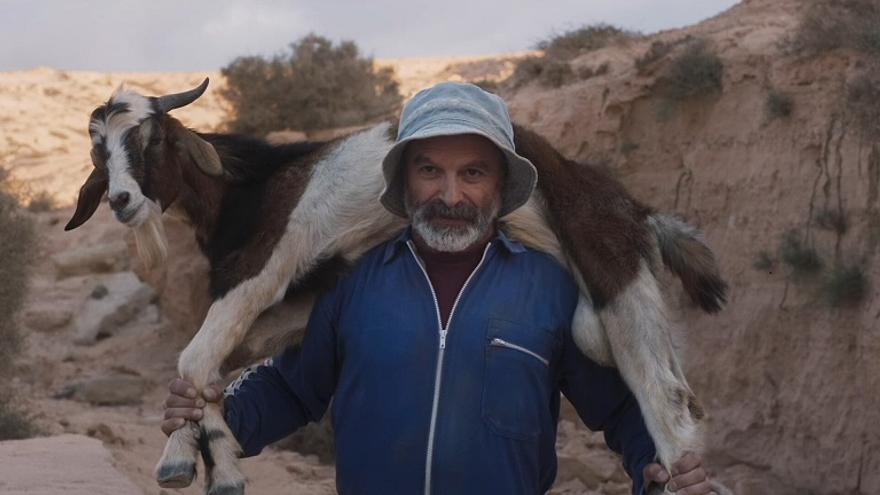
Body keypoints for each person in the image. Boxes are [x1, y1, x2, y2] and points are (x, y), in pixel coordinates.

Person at [162, 82, 713, 494]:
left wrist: (661, 474)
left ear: (502, 185)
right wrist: (212, 416)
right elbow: (290, 390)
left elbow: (619, 410)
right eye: (430, 171)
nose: (450, 195)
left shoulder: (550, 286)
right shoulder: (351, 283)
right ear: (403, 180)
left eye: (473, 173)